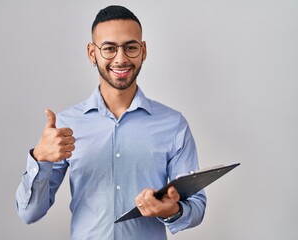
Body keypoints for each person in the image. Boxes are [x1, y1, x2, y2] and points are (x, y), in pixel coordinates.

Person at [16, 5, 206, 240]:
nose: (121, 59)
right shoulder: (66, 126)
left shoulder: (173, 124)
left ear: (143, 51)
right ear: (91, 53)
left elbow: (197, 206)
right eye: (109, 49)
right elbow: (29, 213)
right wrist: (40, 159)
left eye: (131, 47)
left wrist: (173, 211)